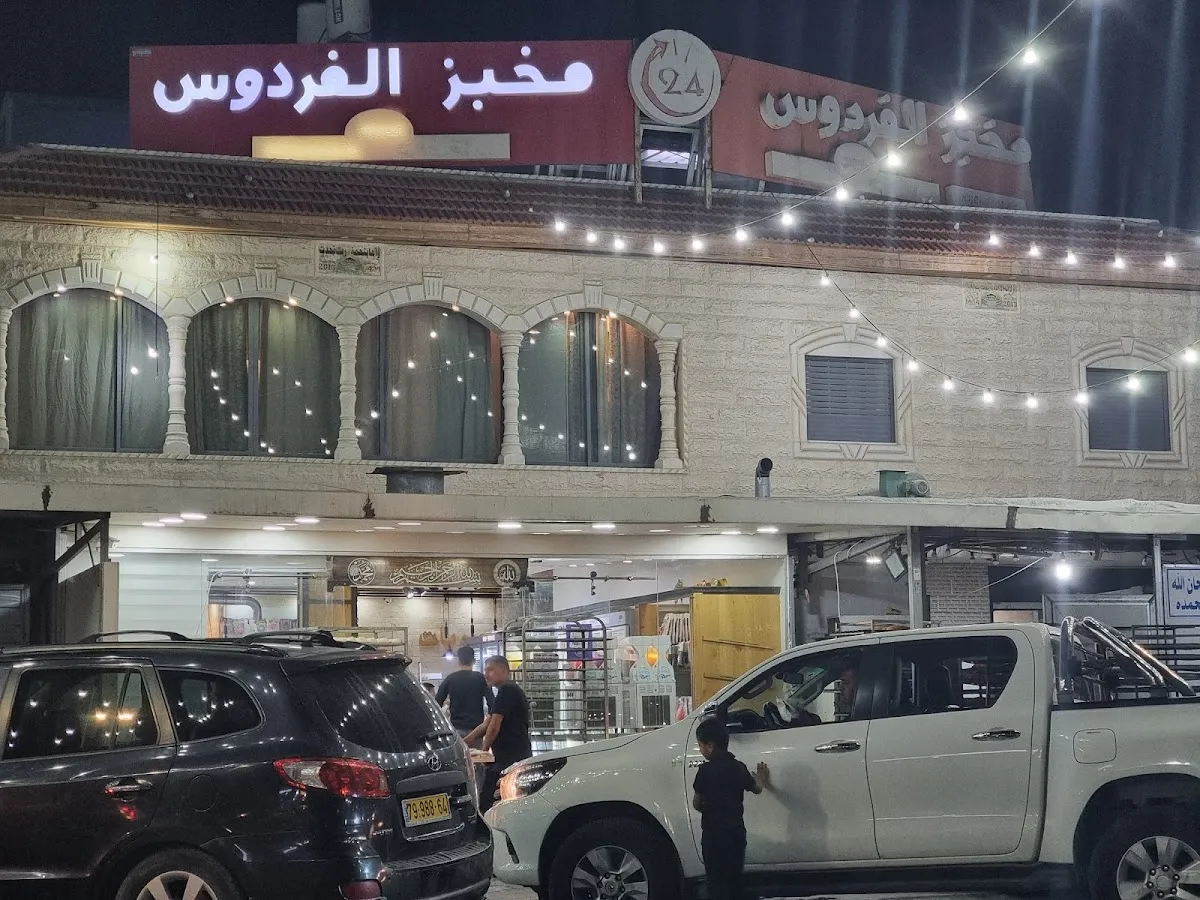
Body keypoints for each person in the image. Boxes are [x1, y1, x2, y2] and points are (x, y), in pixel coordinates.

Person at [692, 717, 769, 900]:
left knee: (715, 881)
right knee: (734, 879)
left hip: (712, 835)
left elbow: (696, 803)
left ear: (710, 746)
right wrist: (761, 777)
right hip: (735, 834)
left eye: (700, 745)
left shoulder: (704, 771)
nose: (700, 750)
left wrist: (708, 809)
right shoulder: (738, 767)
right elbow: (757, 789)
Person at [466, 655, 531, 813]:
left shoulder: (507, 690)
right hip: (508, 757)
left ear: (503, 670)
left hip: (511, 758)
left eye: (490, 670)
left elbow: (494, 726)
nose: (486, 675)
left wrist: (483, 752)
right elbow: (486, 724)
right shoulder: (505, 691)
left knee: (489, 801)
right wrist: (463, 742)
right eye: (485, 671)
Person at [436, 647, 492, 743]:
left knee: (458, 752)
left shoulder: (450, 678)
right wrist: (488, 723)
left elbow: (437, 702)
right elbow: (491, 702)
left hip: (456, 728)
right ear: (474, 661)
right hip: (476, 730)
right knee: (475, 752)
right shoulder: (480, 678)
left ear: (458, 661)